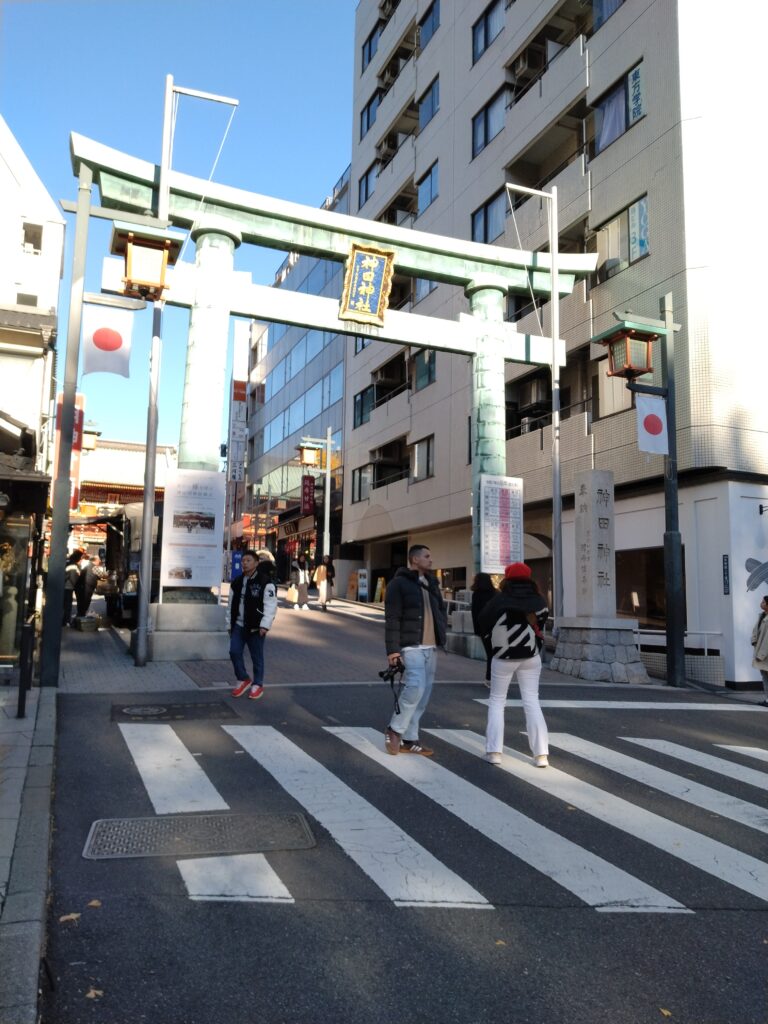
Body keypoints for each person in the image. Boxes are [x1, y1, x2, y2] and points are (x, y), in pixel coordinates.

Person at [478, 562, 549, 768]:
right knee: (532, 702)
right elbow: (542, 622)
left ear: (507, 578)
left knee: (497, 702)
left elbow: (483, 622)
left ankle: (494, 752)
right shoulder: (538, 599)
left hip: (503, 656)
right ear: (529, 578)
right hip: (530, 655)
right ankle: (541, 754)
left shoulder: (498, 600)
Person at [383, 544, 447, 757]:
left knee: (424, 695)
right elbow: (392, 618)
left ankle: (410, 738)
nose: (431, 560)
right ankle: (394, 729)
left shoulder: (432, 584)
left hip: (431, 648)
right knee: (415, 688)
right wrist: (392, 651)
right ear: (415, 559)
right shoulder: (398, 584)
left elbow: (440, 612)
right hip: (411, 647)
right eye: (427, 556)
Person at [229, 549, 278, 700]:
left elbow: (270, 605)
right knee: (234, 652)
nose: (245, 563)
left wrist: (265, 625)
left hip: (256, 626)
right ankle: (243, 678)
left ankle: (257, 684)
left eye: (248, 560)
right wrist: (228, 624)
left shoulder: (265, 582)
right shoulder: (237, 582)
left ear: (256, 563)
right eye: (243, 560)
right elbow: (231, 605)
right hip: (238, 624)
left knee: (256, 656)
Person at [471, 572, 497, 683]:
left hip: (484, 628)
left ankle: (489, 678)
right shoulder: (496, 593)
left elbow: (475, 613)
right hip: (497, 627)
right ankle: (496, 678)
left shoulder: (476, 594)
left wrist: (476, 630)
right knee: (497, 653)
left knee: (490, 653)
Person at [750, 594, 768, 707]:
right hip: (761, 652)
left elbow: (767, 640)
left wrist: (761, 654)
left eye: (763, 602)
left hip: (765, 654)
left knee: (766, 677)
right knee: (765, 677)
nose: (761, 603)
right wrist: (753, 640)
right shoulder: (762, 616)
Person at [75, 552, 99, 617]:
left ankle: (80, 616)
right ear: (95, 561)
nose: (99, 562)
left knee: (81, 602)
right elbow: (102, 575)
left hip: (81, 587)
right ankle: (81, 617)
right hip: (86, 587)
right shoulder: (94, 567)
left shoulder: (87, 566)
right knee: (85, 602)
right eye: (99, 560)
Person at [62, 552, 81, 626]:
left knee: (64, 605)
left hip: (64, 586)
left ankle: (64, 620)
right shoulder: (73, 565)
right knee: (68, 605)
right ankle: (66, 620)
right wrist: (75, 586)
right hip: (68, 587)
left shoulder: (68, 562)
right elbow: (73, 578)